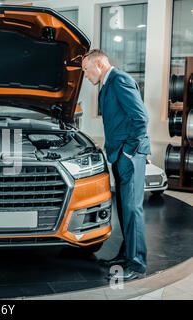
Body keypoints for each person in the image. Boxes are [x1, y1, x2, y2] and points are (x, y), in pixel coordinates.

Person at [82, 49, 151, 281]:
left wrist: (129, 152)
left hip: (129, 155)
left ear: (99, 64)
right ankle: (126, 255)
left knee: (132, 209)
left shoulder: (120, 80)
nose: (85, 75)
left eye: (85, 69)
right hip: (118, 154)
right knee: (124, 208)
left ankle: (137, 263)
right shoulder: (107, 84)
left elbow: (141, 118)